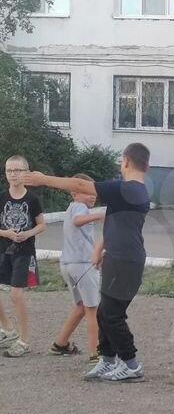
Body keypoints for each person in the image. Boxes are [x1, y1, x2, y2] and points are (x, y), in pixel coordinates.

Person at [24, 142, 151, 382]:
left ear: (125, 161)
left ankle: (131, 365)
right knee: (104, 312)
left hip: (125, 261)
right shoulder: (130, 192)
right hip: (117, 257)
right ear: (148, 166)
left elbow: (80, 185)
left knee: (112, 315)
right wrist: (99, 249)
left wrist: (43, 179)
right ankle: (107, 360)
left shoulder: (128, 188)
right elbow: (115, 223)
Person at [49, 174, 105, 361]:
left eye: (93, 191)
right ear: (74, 193)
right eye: (87, 191)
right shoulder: (80, 208)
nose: (92, 195)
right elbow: (78, 221)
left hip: (68, 264)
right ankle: (95, 353)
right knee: (92, 309)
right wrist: (100, 215)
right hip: (82, 265)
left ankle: (60, 343)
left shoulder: (72, 208)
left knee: (81, 307)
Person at [0, 155, 46, 358]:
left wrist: (28, 233)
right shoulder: (2, 197)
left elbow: (42, 225)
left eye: (17, 170)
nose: (13, 174)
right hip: (3, 250)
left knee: (16, 295)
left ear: (26, 172)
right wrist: (6, 233)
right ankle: (8, 329)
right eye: (9, 170)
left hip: (24, 252)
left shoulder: (32, 199)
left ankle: (24, 340)